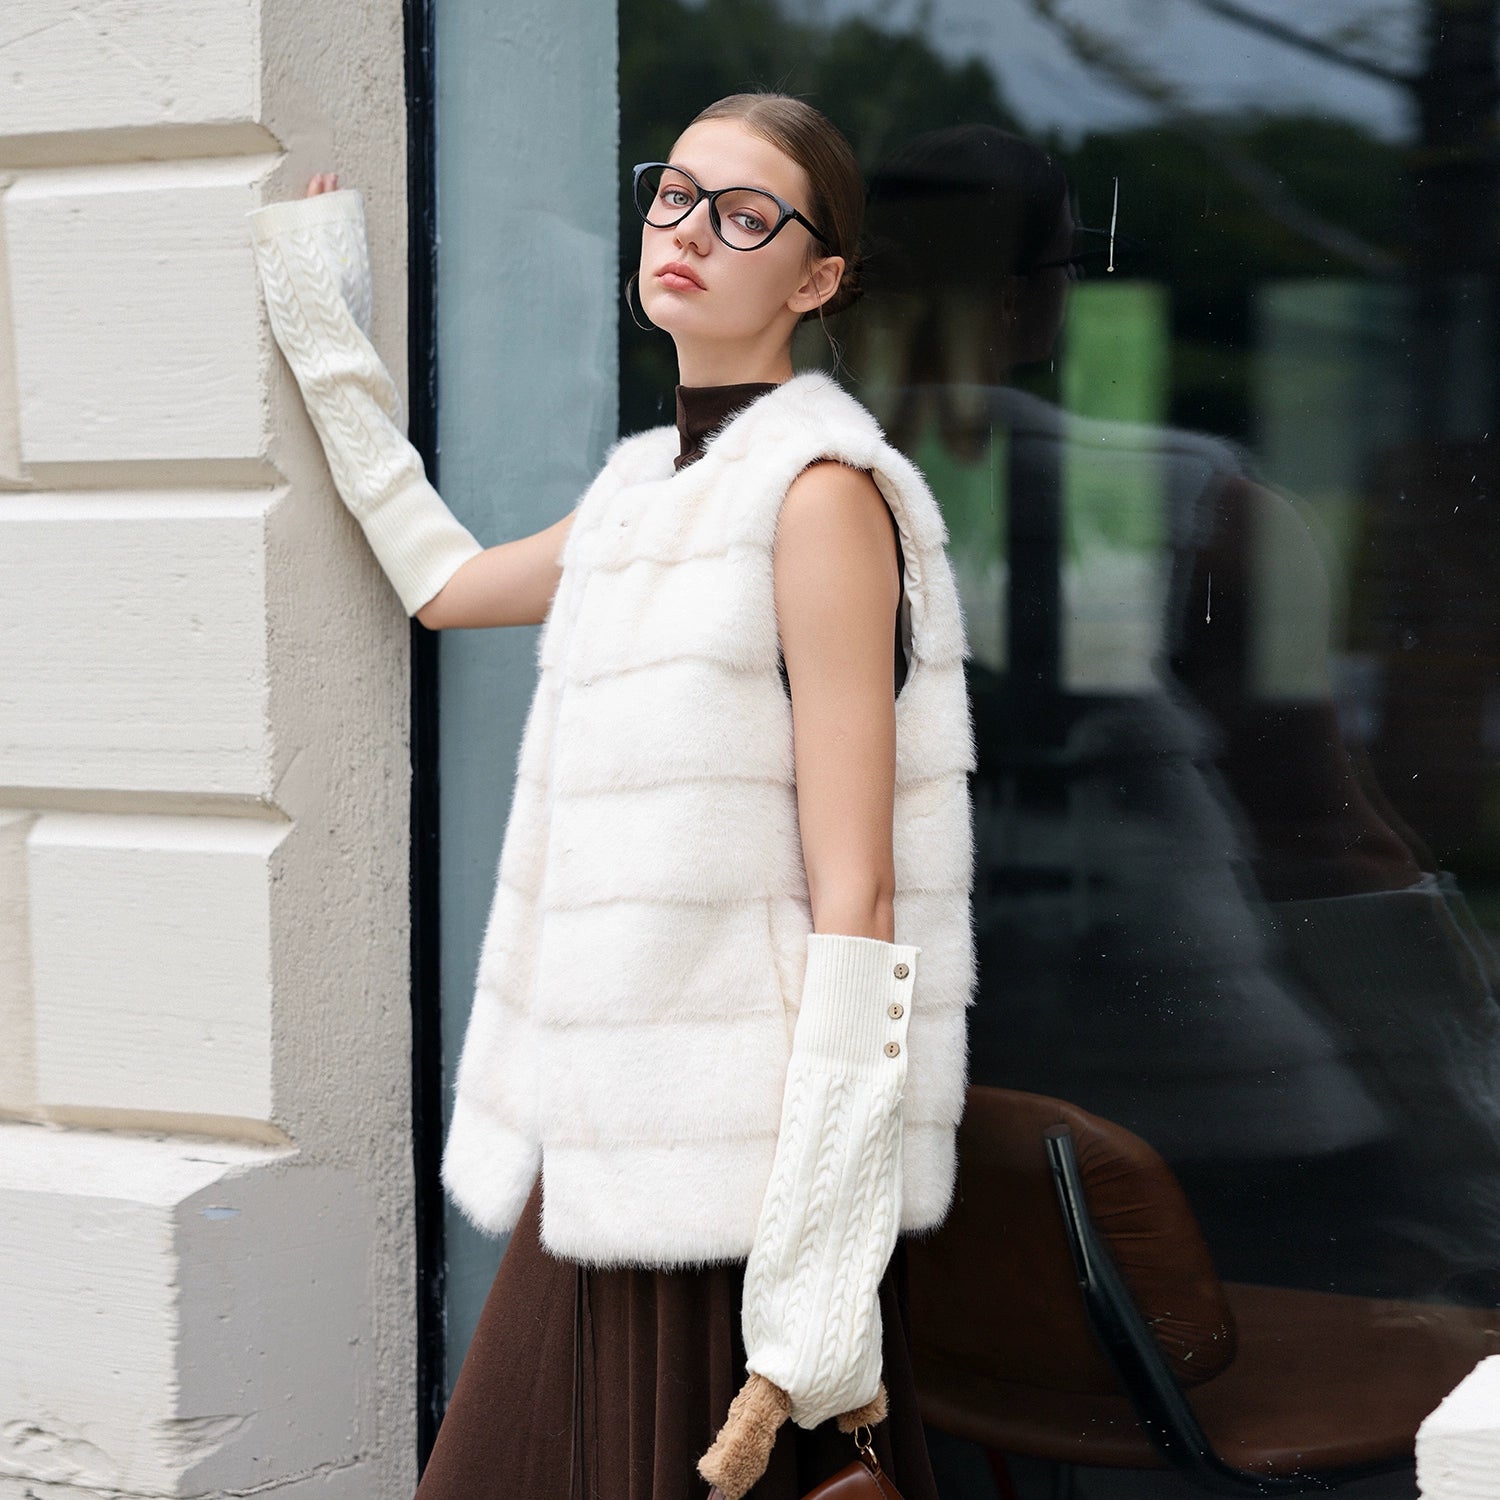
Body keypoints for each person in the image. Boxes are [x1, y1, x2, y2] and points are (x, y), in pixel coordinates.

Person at [246, 93, 976, 1499]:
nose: (688, 231)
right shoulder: (649, 491)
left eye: (746, 215)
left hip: (732, 1174)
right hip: (613, 1126)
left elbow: (862, 889)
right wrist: (324, 331)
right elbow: (445, 584)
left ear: (817, 278)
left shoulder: (819, 496)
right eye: (674, 194)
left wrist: (817, 1269)